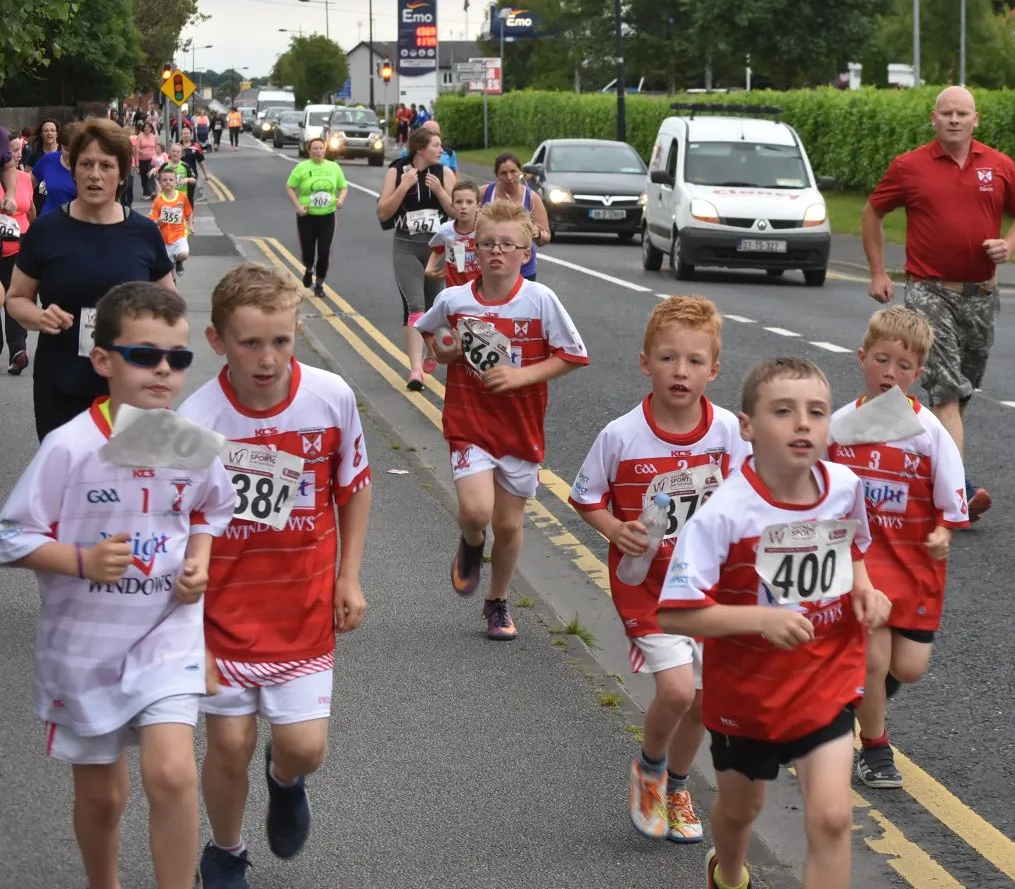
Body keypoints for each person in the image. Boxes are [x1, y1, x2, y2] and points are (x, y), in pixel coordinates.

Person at [0, 280, 235, 889]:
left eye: (177, 359)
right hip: (85, 649)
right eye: (145, 355)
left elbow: (213, 510)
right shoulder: (68, 448)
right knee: (104, 798)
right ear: (102, 360)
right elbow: (11, 537)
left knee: (174, 774)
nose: (164, 371)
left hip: (168, 634)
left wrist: (200, 561)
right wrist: (79, 561)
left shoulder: (189, 443)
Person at [658, 356, 890, 889]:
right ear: (748, 427)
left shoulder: (845, 486)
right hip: (747, 694)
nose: (803, 423)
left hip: (823, 677)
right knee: (741, 811)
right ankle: (730, 871)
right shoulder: (725, 514)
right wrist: (761, 618)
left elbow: (853, 550)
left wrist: (867, 592)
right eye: (783, 411)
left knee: (832, 819)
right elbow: (675, 610)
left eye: (817, 411)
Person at [179, 263, 372, 889]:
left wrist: (350, 577)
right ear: (217, 342)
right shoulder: (196, 418)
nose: (267, 359)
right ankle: (227, 852)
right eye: (250, 343)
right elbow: (175, 524)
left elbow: (353, 487)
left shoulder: (331, 397)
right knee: (227, 744)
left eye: (282, 342)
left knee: (304, 748)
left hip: (302, 607)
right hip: (223, 616)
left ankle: (284, 780)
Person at [569, 295, 751, 845]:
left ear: (714, 370)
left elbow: (750, 495)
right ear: (645, 363)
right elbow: (586, 496)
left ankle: (677, 784)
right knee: (676, 692)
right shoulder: (621, 435)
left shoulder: (728, 433)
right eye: (668, 358)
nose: (681, 371)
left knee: (707, 700)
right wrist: (613, 528)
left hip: (709, 588)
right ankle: (649, 768)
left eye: (695, 361)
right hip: (646, 585)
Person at [860, 85, 1015, 523]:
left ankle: (908, 462)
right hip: (928, 289)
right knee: (947, 392)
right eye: (947, 113)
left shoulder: (998, 165)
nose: (955, 120)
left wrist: (1009, 244)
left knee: (961, 392)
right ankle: (954, 496)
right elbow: (871, 212)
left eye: (963, 113)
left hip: (981, 293)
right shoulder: (910, 166)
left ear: (975, 119)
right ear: (933, 119)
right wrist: (879, 272)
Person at [415, 199, 588, 639]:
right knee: (476, 511)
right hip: (469, 420)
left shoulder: (539, 300)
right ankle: (472, 543)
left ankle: (497, 601)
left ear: (525, 254)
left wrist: (521, 375)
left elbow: (573, 355)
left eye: (507, 245)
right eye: (487, 243)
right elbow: (429, 330)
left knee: (508, 524)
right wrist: (444, 351)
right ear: (474, 249)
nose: (496, 252)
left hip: (520, 426)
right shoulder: (455, 298)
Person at [827, 307, 968, 790]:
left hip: (914, 567)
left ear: (918, 374)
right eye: (881, 360)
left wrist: (944, 533)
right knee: (874, 657)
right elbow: (813, 482)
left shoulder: (929, 432)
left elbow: (953, 498)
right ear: (862, 357)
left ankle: (856, 697)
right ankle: (875, 747)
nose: (890, 373)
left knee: (907, 667)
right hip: (860, 564)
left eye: (903, 366)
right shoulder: (840, 426)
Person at [5, 117, 177, 439]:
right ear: (74, 171)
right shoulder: (46, 231)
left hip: (129, 385)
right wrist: (41, 316)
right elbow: (16, 298)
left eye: (106, 166)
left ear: (123, 175)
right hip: (61, 383)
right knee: (65, 482)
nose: (95, 174)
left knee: (123, 483)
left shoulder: (143, 233)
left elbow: (169, 304)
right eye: (86, 164)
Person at [376, 125, 455, 391]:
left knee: (433, 308)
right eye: (436, 145)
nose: (441, 150)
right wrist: (404, 186)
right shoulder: (396, 171)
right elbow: (383, 213)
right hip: (406, 246)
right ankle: (416, 369)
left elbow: (458, 213)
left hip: (436, 249)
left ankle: (431, 353)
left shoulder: (444, 172)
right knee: (416, 305)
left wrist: (441, 192)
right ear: (421, 149)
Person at [285, 137, 349, 298]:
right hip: (307, 216)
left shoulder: (333, 167)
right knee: (308, 251)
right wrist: (298, 207)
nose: (318, 151)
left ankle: (319, 284)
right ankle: (309, 269)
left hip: (327, 216)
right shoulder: (302, 167)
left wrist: (340, 200)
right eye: (315, 148)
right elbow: (290, 187)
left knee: (324, 251)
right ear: (309, 150)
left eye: (321, 148)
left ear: (325, 150)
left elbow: (343, 187)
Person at [483, 153, 551, 282]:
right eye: (503, 173)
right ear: (497, 175)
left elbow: (546, 237)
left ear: (520, 171)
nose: (509, 177)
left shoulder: (531, 198)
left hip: (523, 269)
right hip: (491, 265)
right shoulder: (485, 193)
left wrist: (537, 233)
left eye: (513, 171)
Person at [2, 134, 34, 374]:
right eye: (10, 150)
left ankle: (18, 351)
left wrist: (38, 235)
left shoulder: (23, 179)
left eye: (17, 150)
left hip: (18, 247)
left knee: (14, 298)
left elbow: (30, 209)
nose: (15, 154)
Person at [425, 177, 483, 288]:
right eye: (459, 202)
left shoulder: (485, 230)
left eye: (469, 202)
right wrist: (430, 267)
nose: (463, 206)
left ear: (478, 206)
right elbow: (437, 250)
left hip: (481, 290)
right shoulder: (446, 230)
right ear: (452, 205)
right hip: (454, 289)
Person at [150, 169, 193, 277]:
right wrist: (157, 221)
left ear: (175, 182)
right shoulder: (158, 201)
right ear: (160, 183)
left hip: (180, 234)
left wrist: (191, 225)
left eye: (171, 179)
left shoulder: (182, 197)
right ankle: (172, 285)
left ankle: (179, 262)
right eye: (164, 180)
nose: (168, 182)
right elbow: (152, 220)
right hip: (164, 238)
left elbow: (189, 213)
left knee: (184, 254)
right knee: (169, 271)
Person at [33, 127, 79, 218]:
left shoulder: (88, 167)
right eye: (66, 149)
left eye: (74, 151)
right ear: (60, 146)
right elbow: (29, 182)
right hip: (48, 220)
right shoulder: (49, 159)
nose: (70, 154)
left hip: (75, 224)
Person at [136, 124, 161, 200]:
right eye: (146, 128)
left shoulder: (154, 136)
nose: (147, 129)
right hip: (142, 159)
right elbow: (136, 148)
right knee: (143, 176)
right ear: (143, 129)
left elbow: (158, 147)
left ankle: (152, 192)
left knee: (150, 175)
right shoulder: (140, 136)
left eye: (149, 128)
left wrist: (158, 156)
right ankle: (145, 193)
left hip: (152, 159)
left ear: (151, 129)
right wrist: (142, 153)